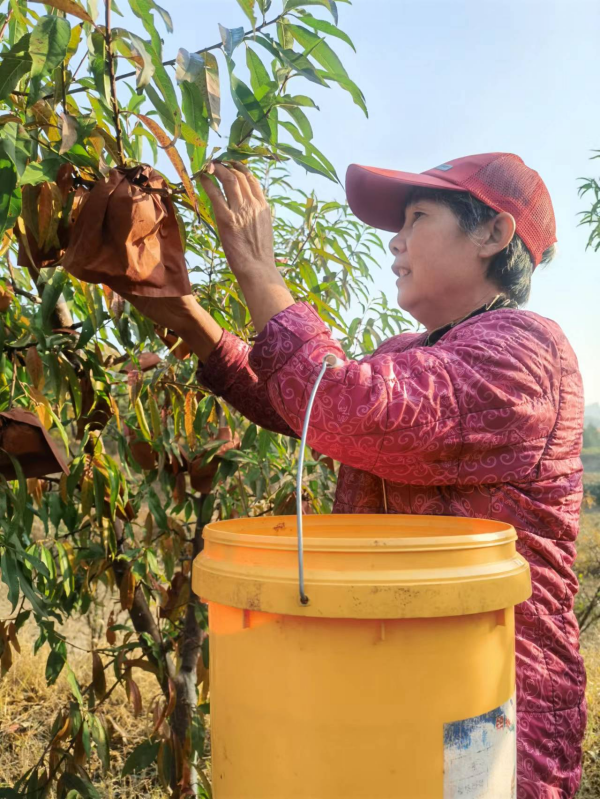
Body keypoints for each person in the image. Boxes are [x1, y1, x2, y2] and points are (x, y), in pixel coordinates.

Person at [130, 152, 586, 797]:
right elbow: (299, 401)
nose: (394, 241)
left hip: (493, 695)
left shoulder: (522, 351)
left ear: (493, 234)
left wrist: (258, 268)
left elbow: (345, 407)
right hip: (397, 672)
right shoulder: (413, 351)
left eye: (417, 217)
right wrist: (186, 316)